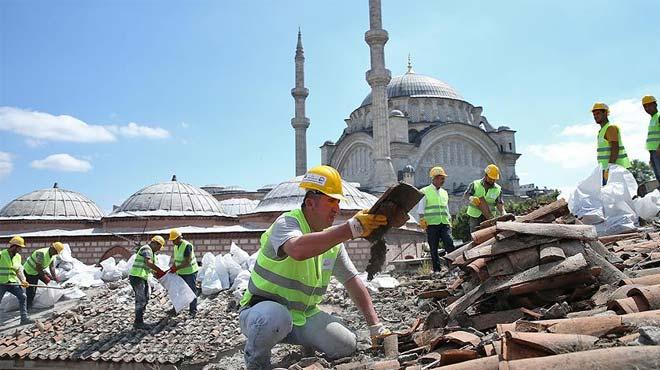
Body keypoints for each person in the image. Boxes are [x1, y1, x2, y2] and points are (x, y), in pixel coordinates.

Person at [238, 165, 390, 370]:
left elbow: (352, 281)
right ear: (310, 203)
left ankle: (305, 349)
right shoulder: (287, 223)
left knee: (346, 345)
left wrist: (375, 325)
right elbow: (298, 249)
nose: (337, 209)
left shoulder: (332, 242)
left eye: (338, 202)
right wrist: (350, 229)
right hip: (261, 313)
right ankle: (256, 362)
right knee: (273, 318)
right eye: (330, 201)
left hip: (302, 317)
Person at [418, 166, 455, 274]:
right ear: (434, 178)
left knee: (449, 243)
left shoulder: (444, 192)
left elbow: (446, 208)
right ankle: (437, 270)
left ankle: (453, 267)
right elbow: (421, 209)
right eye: (441, 178)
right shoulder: (424, 191)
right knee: (433, 248)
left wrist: (449, 222)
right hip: (431, 224)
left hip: (444, 223)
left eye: (443, 178)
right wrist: (422, 221)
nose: (443, 181)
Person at [129, 235, 166, 329]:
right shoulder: (146, 249)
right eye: (158, 247)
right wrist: (160, 271)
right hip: (137, 277)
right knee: (141, 299)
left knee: (146, 298)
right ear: (155, 243)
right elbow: (148, 263)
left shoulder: (152, 253)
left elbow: (152, 268)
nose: (158, 249)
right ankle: (138, 322)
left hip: (142, 277)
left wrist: (162, 276)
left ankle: (140, 320)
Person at [592, 102, 631, 184]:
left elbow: (615, 148)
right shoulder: (601, 131)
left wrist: (610, 167)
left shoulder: (610, 128)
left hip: (614, 169)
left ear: (605, 113)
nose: (595, 116)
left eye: (598, 113)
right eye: (594, 114)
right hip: (606, 169)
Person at [464, 164, 506, 233]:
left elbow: (499, 203)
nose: (492, 181)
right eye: (490, 178)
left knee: (488, 235)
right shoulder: (475, 184)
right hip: (475, 216)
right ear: (486, 175)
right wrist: (471, 198)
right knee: (475, 235)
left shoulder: (498, 189)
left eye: (494, 179)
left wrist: (503, 212)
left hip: (489, 217)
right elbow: (466, 195)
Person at [0, 236, 33, 325]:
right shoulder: (1, 254)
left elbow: (18, 270)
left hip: (12, 282)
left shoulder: (18, 257)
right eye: (19, 248)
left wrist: (23, 280)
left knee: (23, 297)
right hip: (1, 283)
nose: (20, 250)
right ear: (14, 246)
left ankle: (24, 318)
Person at [23, 241, 63, 310]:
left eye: (57, 253)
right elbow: (38, 268)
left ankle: (52, 297)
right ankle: (28, 307)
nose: (56, 254)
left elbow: (52, 267)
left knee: (51, 281)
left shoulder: (53, 255)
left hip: (39, 270)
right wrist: (46, 278)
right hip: (30, 271)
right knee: (31, 290)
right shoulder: (41, 253)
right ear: (52, 248)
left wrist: (54, 277)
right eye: (56, 252)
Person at [168, 228, 198, 317]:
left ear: (179, 238)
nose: (173, 242)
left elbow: (187, 262)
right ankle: (176, 309)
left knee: (191, 290)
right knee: (178, 290)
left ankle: (193, 311)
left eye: (174, 240)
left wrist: (176, 268)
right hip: (181, 272)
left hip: (190, 272)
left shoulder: (187, 246)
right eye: (172, 240)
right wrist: (173, 267)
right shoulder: (176, 246)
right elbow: (177, 259)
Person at [642, 95, 660, 182]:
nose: (647, 108)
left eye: (649, 105)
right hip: (654, 152)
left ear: (655, 104)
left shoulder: (659, 116)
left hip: (658, 151)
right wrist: (651, 156)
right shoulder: (653, 119)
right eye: (645, 106)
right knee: (658, 176)